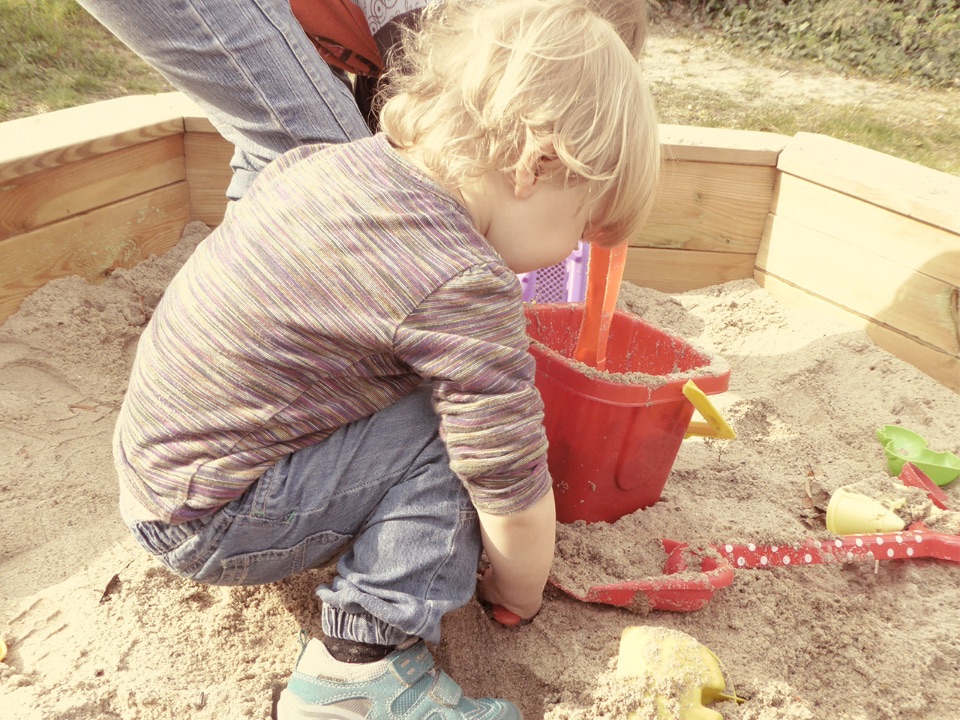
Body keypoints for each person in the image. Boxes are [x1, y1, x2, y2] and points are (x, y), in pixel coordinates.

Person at [113, 0, 660, 718]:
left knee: (445, 404)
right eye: (582, 225)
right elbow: (508, 482)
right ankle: (358, 669)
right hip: (213, 514)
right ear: (537, 165)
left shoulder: (334, 164)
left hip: (160, 472)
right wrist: (519, 589)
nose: (573, 250)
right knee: (454, 433)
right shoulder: (460, 276)